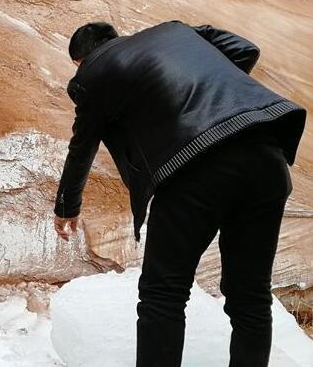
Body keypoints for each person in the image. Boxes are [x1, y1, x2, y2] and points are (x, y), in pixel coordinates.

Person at [52, 20, 306, 367]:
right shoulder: (177, 31)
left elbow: (82, 145)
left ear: (82, 60)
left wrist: (67, 206)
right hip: (267, 156)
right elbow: (245, 49)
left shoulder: (96, 72)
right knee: (250, 297)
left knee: (163, 295)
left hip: (199, 169)